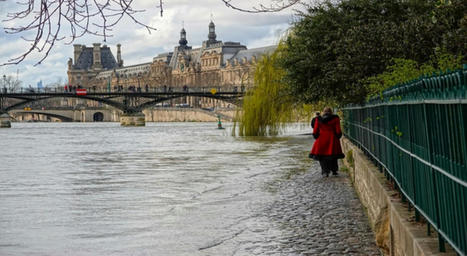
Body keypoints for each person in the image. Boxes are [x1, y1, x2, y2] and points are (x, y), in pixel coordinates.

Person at [309, 107, 345, 177]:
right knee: (333, 155)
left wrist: (316, 136)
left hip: (321, 138)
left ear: (323, 112)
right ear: (331, 112)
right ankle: (334, 170)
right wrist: (338, 136)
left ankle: (325, 171)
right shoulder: (335, 118)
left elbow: (315, 130)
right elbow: (338, 130)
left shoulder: (318, 119)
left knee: (322, 156)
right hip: (332, 138)